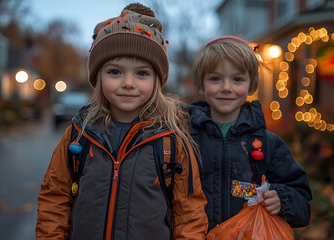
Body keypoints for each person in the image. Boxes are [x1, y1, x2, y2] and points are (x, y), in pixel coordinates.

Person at [36, 3, 208, 240]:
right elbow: (54, 200)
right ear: (98, 77)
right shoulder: (79, 135)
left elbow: (189, 214)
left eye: (142, 73)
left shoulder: (171, 142)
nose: (128, 82)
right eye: (115, 72)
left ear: (157, 81)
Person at [188, 36, 312, 232]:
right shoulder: (185, 138)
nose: (226, 87)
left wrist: (282, 200)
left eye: (237, 79)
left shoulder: (268, 144)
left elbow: (303, 205)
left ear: (252, 85)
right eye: (215, 78)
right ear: (201, 85)